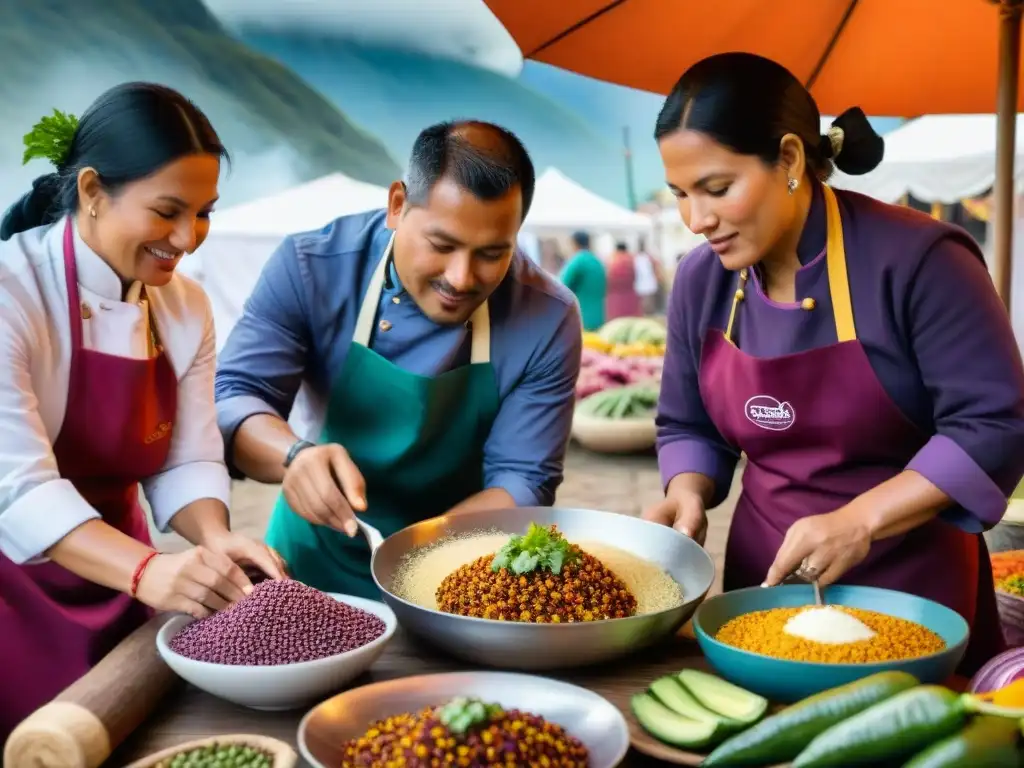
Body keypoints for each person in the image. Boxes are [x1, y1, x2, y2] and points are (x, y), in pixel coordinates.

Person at [642, 52, 1024, 676]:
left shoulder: (922, 261)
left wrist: (861, 520)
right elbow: (687, 424)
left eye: (717, 189)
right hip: (761, 594)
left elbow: (994, 425)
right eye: (680, 194)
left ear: (789, 160)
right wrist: (687, 493)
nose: (696, 220)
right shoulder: (700, 280)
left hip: (915, 597)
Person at [0, 83, 286, 736]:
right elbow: (17, 491)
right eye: (167, 210)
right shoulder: (10, 293)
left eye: (205, 212)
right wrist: (150, 569)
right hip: (13, 587)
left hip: (122, 575)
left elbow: (186, 455)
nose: (188, 238)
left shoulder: (184, 305)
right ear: (93, 192)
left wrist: (215, 543)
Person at [214, 120, 582, 599]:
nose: (462, 277)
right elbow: (236, 397)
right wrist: (293, 457)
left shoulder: (548, 316)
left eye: (493, 254)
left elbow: (525, 478)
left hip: (455, 572)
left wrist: (417, 555)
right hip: (309, 567)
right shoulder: (311, 267)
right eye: (442, 245)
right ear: (397, 205)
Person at [560, 230, 606, 330]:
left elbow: (561, 285)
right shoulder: (597, 261)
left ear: (574, 243)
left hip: (581, 318)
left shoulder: (578, 260)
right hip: (599, 316)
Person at [605, 241, 643, 320]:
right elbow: (636, 276)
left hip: (615, 297)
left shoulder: (613, 260)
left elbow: (609, 278)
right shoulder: (632, 260)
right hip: (630, 295)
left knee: (616, 321)